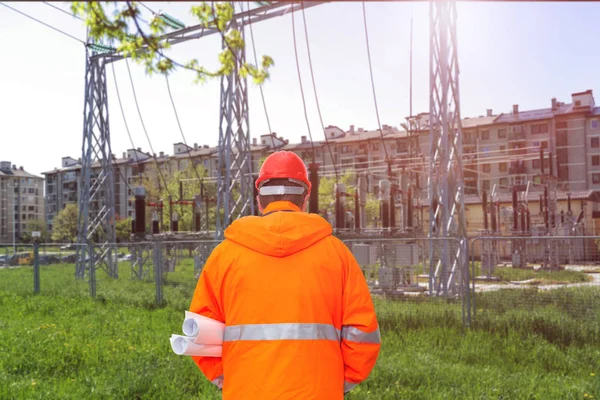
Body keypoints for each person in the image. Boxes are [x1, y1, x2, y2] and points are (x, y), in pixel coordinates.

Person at [188, 150, 380, 399]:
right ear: (305, 197)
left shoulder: (225, 255)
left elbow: (199, 333)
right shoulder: (337, 254)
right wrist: (334, 383)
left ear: (259, 200)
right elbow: (362, 334)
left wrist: (231, 380)